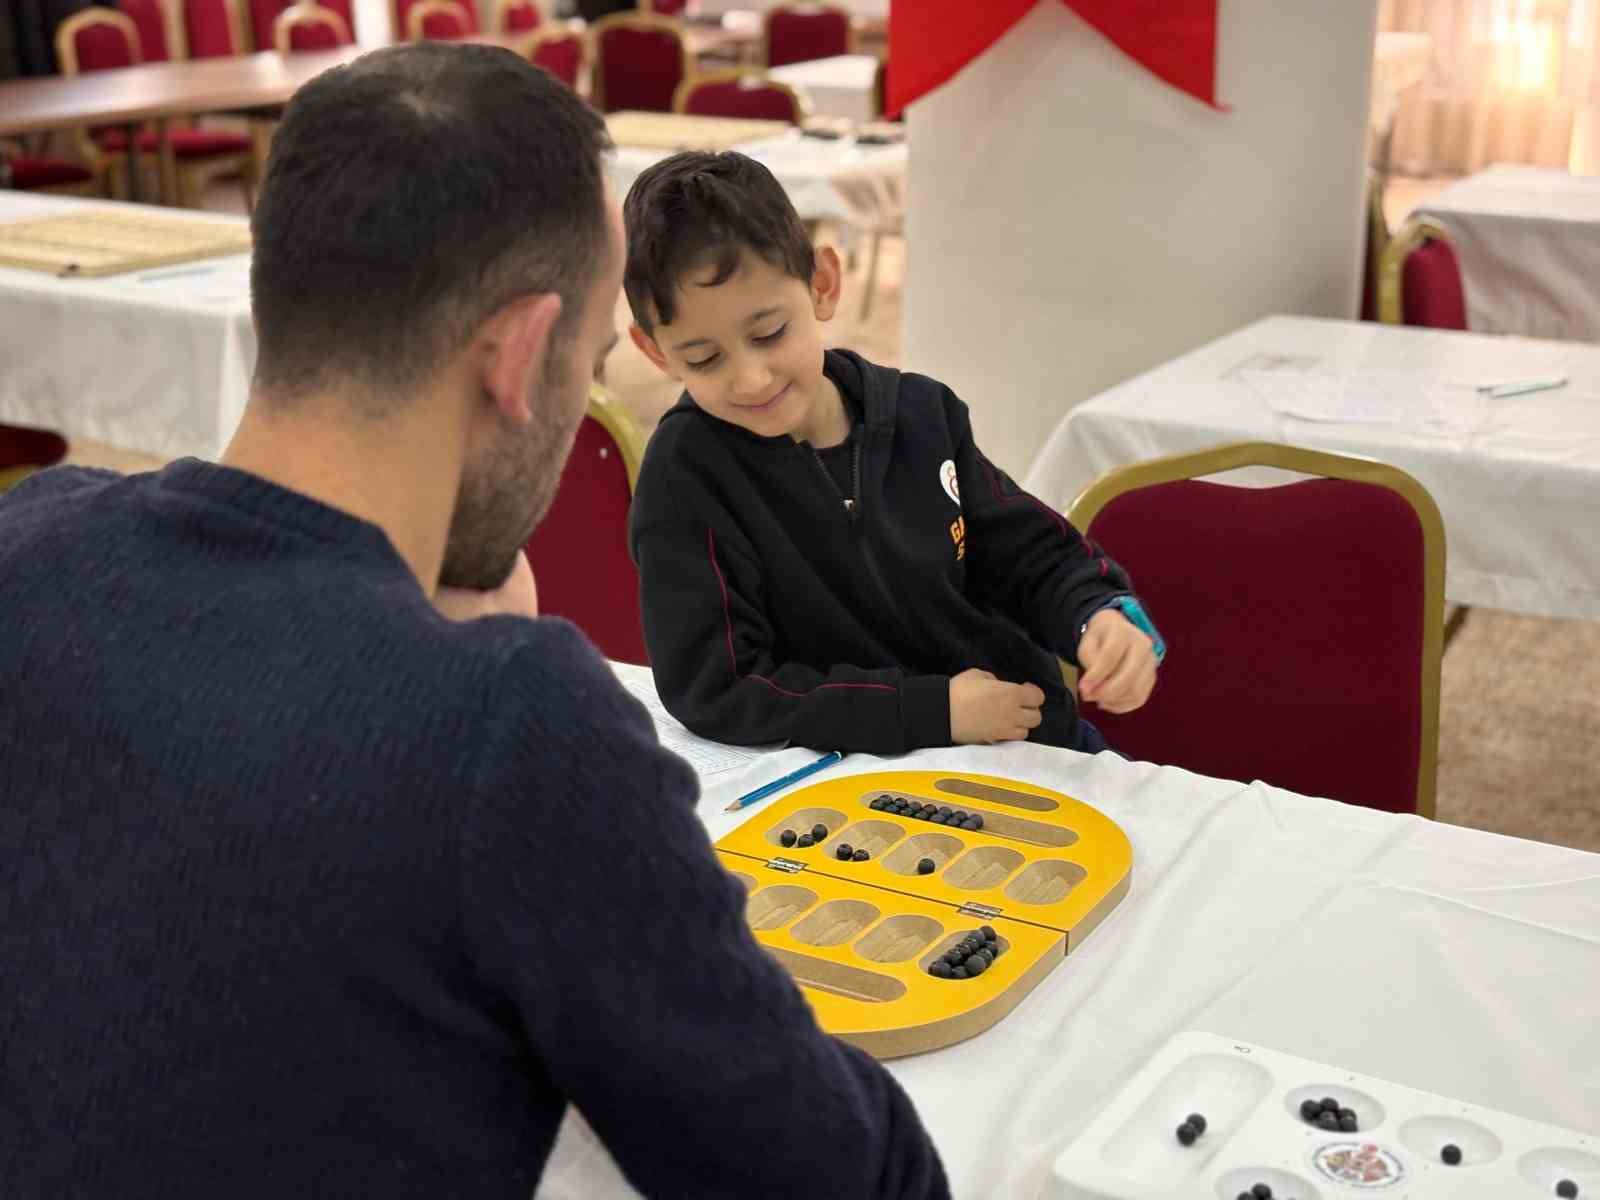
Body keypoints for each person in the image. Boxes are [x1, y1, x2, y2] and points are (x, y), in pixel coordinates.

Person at [0, 44, 947, 1199]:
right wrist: (509, 690)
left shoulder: (30, 540)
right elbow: (848, 1177)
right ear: (517, 355)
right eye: (592, 356)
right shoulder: (507, 719)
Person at [623, 151, 1165, 755]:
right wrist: (929, 711)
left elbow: (1030, 554)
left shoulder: (922, 414)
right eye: (704, 359)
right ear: (655, 352)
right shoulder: (685, 473)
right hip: (848, 772)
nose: (751, 378)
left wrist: (1100, 615)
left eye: (769, 333)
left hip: (1020, 739)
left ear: (822, 286)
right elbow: (715, 686)